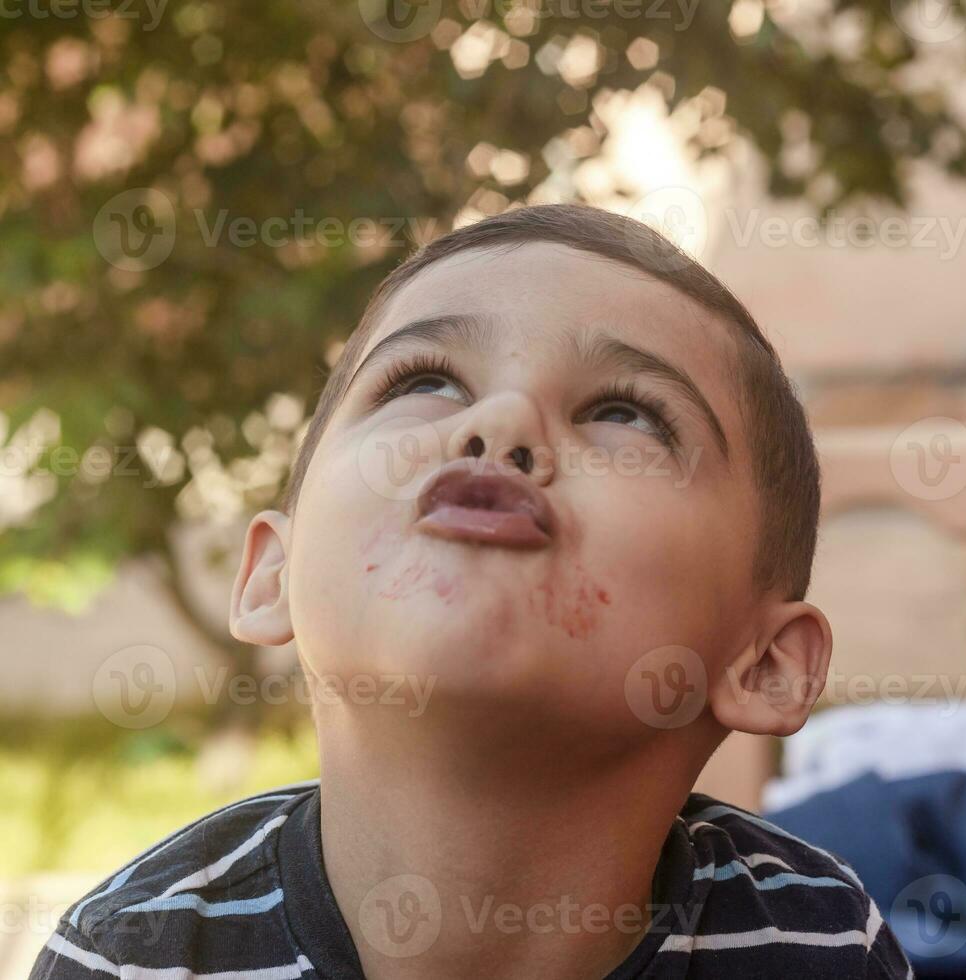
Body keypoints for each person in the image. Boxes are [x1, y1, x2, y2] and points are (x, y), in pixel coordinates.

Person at [32, 204, 913, 979]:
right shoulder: (133, 956)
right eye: (425, 381)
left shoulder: (823, 943)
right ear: (271, 576)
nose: (497, 423)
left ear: (762, 664)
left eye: (623, 412)